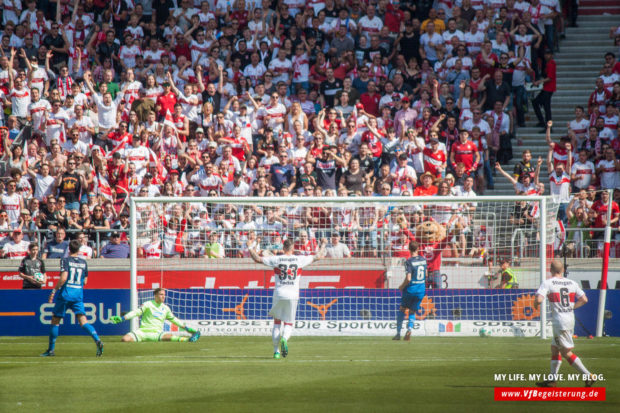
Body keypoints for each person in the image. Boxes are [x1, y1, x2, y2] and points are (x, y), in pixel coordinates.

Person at [249, 238, 326, 359]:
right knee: (289, 323)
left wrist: (249, 247)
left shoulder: (277, 259)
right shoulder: (299, 259)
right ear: (293, 248)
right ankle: (284, 339)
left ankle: (276, 351)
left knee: (277, 323)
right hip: (293, 295)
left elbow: (257, 259)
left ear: (283, 248)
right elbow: (318, 256)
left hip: (279, 293)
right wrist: (324, 244)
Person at [534, 260, 596, 388]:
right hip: (569, 318)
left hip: (559, 322)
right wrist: (571, 307)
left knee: (566, 352)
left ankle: (588, 375)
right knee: (554, 348)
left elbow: (539, 300)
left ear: (550, 270)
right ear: (562, 270)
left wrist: (535, 304)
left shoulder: (548, 282)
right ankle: (552, 380)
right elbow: (584, 299)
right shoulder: (572, 283)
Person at [41, 240, 104, 357]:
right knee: (83, 321)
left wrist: (54, 290)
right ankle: (97, 339)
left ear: (68, 249)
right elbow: (85, 281)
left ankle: (51, 350)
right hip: (77, 295)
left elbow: (64, 277)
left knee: (55, 321)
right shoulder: (83, 262)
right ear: (79, 249)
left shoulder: (65, 260)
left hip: (65, 294)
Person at [110, 288, 200, 343]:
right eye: (161, 294)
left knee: (168, 337)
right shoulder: (148, 304)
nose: (163, 296)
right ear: (155, 296)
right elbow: (136, 312)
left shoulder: (166, 308)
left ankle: (189, 340)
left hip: (157, 334)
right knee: (125, 339)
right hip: (143, 332)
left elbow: (174, 320)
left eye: (164, 295)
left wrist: (187, 328)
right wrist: (122, 318)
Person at [393, 241, 426, 341]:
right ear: (418, 249)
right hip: (421, 290)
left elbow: (408, 278)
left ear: (409, 249)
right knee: (412, 311)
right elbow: (427, 274)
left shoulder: (409, 261)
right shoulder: (424, 260)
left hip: (411, 289)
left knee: (402, 309)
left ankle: (398, 333)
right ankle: (409, 329)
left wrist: (401, 286)